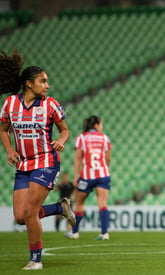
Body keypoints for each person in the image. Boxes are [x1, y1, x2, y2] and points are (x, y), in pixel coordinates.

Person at [0, 48, 75, 270]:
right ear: (29, 84)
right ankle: (60, 208)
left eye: (47, 81)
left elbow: (65, 130)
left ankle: (36, 260)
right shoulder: (10, 105)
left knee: (30, 212)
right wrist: (10, 151)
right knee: (20, 217)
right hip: (24, 164)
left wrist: (61, 139)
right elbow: (3, 130)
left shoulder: (50, 104)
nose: (47, 85)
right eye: (43, 81)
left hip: (46, 162)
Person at [65, 115, 111, 240]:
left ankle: (74, 232)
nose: (102, 127)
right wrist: (103, 169)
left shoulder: (81, 138)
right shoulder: (104, 138)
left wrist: (75, 177)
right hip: (103, 174)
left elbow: (78, 158)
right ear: (95, 125)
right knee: (103, 204)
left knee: (79, 204)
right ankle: (104, 233)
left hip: (86, 176)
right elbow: (108, 159)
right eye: (101, 124)